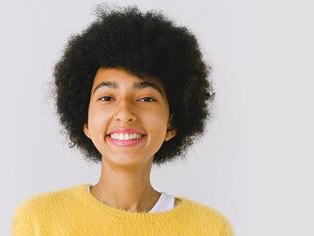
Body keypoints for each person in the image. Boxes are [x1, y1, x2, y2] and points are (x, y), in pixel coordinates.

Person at [12, 4, 234, 235]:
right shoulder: (40, 220)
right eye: (107, 97)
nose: (125, 113)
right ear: (85, 121)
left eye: (146, 98)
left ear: (172, 123)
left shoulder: (209, 229)